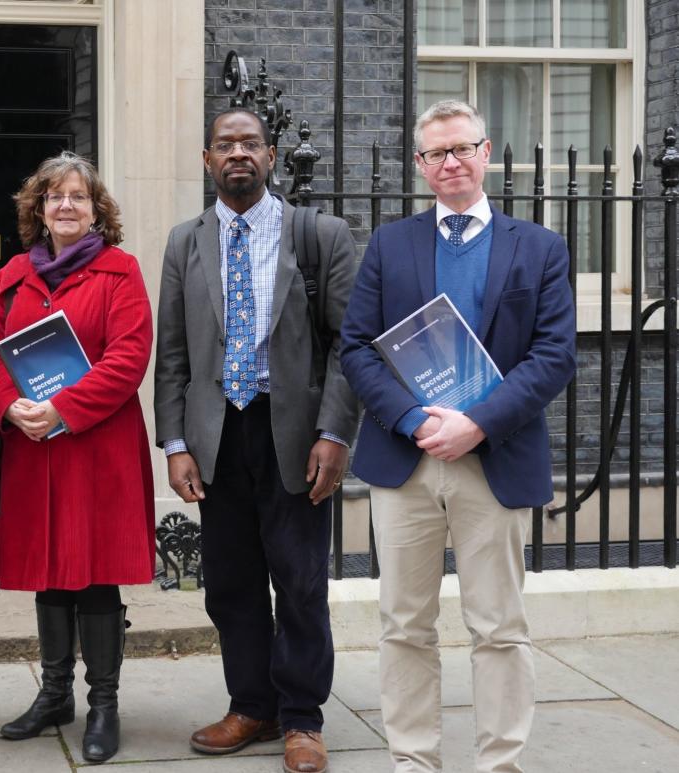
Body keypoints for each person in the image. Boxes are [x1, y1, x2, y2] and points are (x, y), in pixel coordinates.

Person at [340, 99, 577, 773]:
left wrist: (478, 422)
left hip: (492, 457)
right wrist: (414, 420)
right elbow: (357, 348)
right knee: (404, 624)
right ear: (420, 165)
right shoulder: (391, 243)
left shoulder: (540, 247)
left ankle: (499, 762)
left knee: (499, 627)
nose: (449, 162)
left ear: (488, 151)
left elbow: (555, 354)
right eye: (435, 153)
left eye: (461, 148)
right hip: (406, 460)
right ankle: (414, 759)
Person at [154, 108, 359, 773]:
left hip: (292, 432)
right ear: (207, 159)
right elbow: (175, 355)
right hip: (217, 436)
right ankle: (252, 703)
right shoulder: (186, 242)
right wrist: (176, 442)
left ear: (271, 156)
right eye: (224, 144)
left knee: (299, 580)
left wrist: (334, 431)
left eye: (249, 143)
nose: (237, 153)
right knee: (231, 582)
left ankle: (302, 716)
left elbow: (347, 346)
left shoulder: (319, 234)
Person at [0, 151, 154, 764]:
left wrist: (63, 408)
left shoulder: (120, 271)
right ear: (39, 209)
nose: (67, 206)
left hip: (97, 445)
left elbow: (129, 358)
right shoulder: (12, 275)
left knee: (95, 569)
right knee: (49, 569)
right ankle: (55, 695)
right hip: (32, 447)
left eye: (79, 196)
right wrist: (8, 408)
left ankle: (103, 703)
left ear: (96, 208)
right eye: (55, 197)